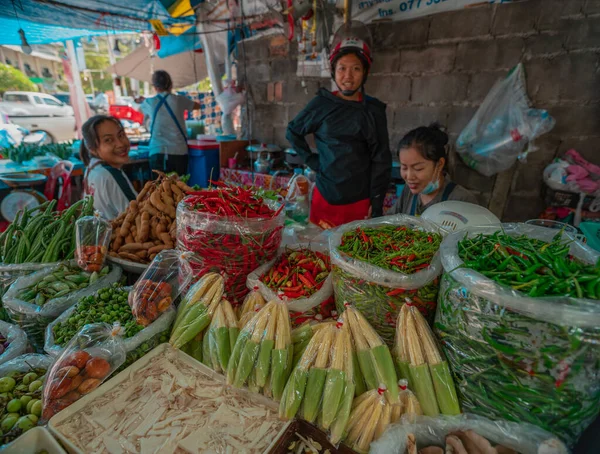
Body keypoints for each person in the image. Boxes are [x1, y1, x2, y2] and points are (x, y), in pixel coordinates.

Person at [286, 37, 391, 229]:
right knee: (316, 252)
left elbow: (381, 159)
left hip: (359, 201)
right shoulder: (322, 104)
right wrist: (313, 161)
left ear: (365, 72)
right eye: (342, 68)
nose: (348, 76)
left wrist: (376, 204)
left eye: (356, 69)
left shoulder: (374, 111)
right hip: (325, 197)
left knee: (353, 253)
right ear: (334, 71)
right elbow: (293, 131)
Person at [392, 124, 478, 216]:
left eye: (418, 168)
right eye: (404, 167)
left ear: (439, 164)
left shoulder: (462, 200)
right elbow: (388, 222)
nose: (409, 177)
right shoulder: (408, 192)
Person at [137, 70, 200, 175]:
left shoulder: (149, 102)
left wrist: (144, 100)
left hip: (158, 151)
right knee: (180, 187)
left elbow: (139, 109)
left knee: (159, 189)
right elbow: (196, 106)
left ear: (155, 87)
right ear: (171, 85)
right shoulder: (179, 100)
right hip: (179, 152)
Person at [81, 115, 137, 220]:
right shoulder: (111, 175)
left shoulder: (92, 168)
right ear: (92, 149)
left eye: (121, 135)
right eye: (108, 140)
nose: (120, 144)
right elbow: (137, 216)